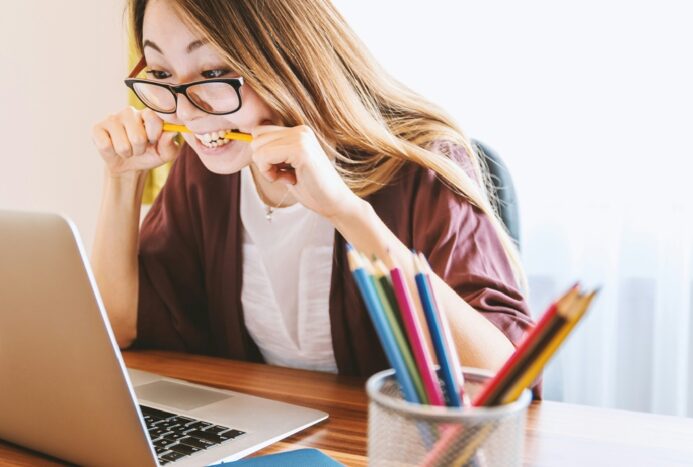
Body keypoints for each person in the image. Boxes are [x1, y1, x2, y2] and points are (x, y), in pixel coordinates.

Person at [91, 0, 535, 384]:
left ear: (287, 57)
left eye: (213, 71)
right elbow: (120, 326)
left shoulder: (422, 166)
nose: (186, 111)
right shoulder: (205, 171)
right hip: (270, 440)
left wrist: (346, 212)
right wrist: (122, 179)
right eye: (163, 73)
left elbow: (501, 379)